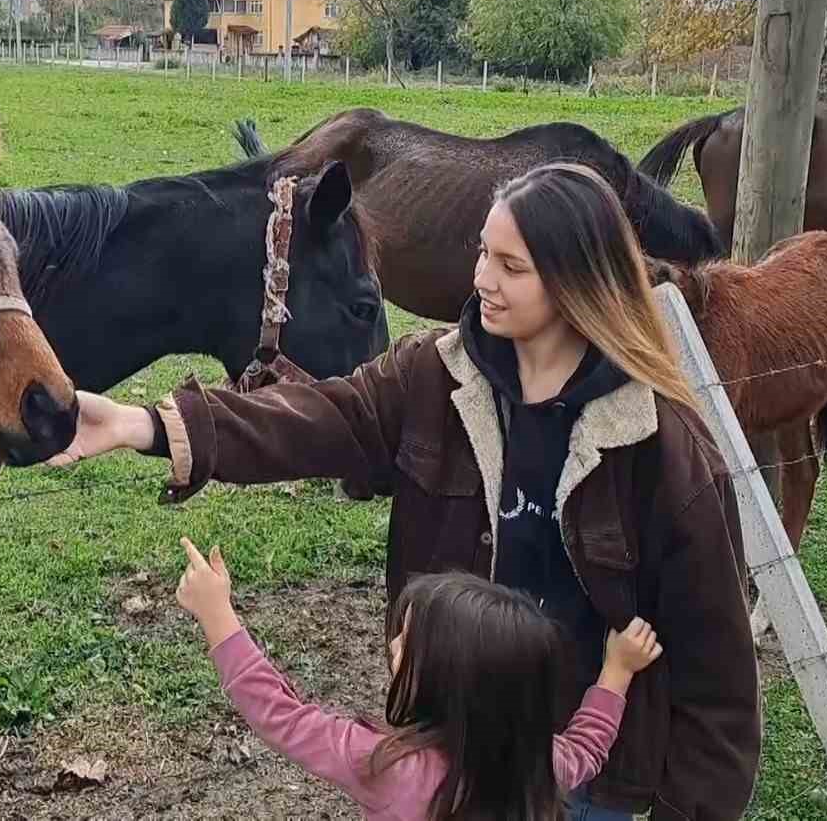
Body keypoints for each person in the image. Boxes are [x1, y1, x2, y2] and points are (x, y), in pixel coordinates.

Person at [49, 162, 761, 820]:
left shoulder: (662, 445)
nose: (482, 278)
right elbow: (326, 417)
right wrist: (143, 424)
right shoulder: (432, 375)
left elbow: (717, 681)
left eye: (512, 266)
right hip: (452, 760)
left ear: (576, 281)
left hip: (581, 780)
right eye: (484, 252)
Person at [174, 537, 662, 820]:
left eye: (406, 643)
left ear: (449, 681)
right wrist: (616, 671)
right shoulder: (535, 764)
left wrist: (218, 617)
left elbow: (282, 716)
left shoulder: (388, 766)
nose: (392, 648)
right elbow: (587, 749)